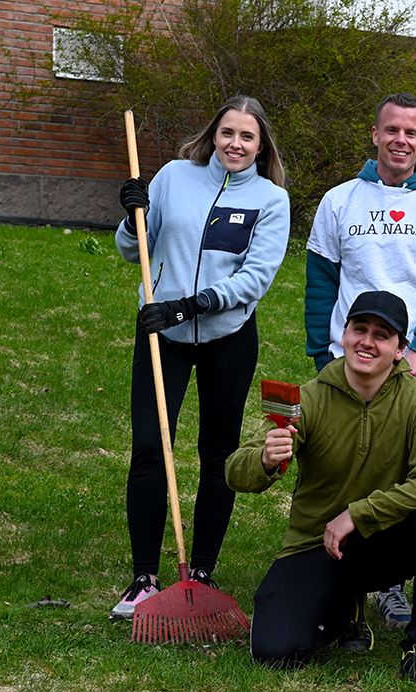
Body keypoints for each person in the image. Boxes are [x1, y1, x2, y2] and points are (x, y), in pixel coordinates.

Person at [227, 291, 416, 691]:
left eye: (382, 335)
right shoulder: (308, 398)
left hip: (389, 539)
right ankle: (343, 609)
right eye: (360, 329)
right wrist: (265, 460)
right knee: (275, 651)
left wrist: (358, 514)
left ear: (399, 350)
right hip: (317, 542)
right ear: (344, 335)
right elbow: (235, 471)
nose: (367, 342)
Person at [110, 95, 290, 620]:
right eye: (227, 132)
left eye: (247, 136)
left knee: (218, 454)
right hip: (160, 334)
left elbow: (255, 277)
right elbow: (133, 249)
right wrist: (131, 215)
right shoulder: (172, 177)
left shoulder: (271, 199)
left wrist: (191, 305)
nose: (235, 144)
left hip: (228, 337)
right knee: (148, 447)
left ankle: (203, 569)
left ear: (261, 145)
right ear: (214, 134)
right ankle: (143, 577)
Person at [304, 92, 416, 629]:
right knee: (350, 474)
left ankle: (400, 585)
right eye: (391, 130)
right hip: (349, 361)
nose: (401, 140)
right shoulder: (339, 200)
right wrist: (320, 356)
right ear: (375, 135)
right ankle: (344, 579)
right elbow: (319, 284)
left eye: (412, 134)